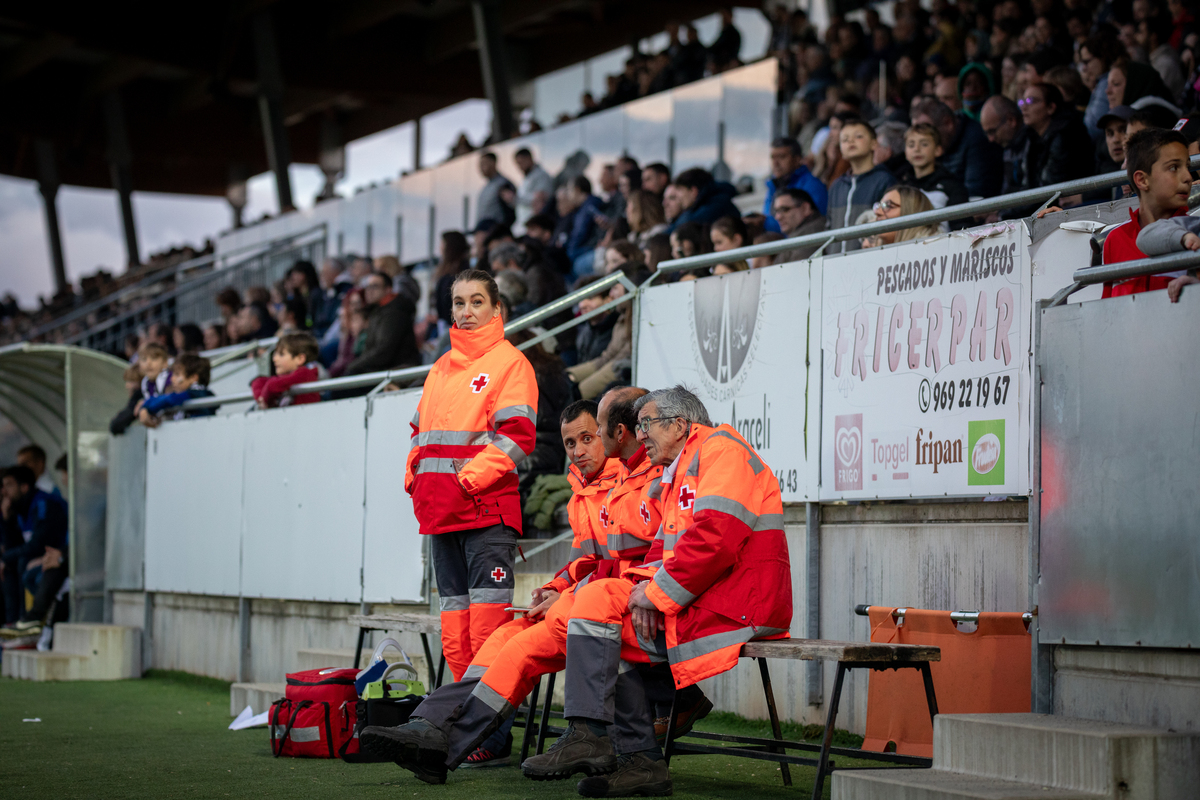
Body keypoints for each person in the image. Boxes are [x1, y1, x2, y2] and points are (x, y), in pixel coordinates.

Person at [363, 389, 666, 779]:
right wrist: (556, 589)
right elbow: (584, 562)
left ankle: (439, 741)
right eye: (570, 442)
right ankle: (431, 726)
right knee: (506, 636)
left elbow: (639, 562)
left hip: (613, 609)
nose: (577, 450)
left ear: (614, 436)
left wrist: (569, 595)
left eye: (589, 438)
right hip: (594, 603)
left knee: (518, 645)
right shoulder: (586, 491)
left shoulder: (634, 475)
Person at [518, 386, 791, 796]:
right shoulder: (680, 467)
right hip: (707, 597)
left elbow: (715, 538)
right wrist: (645, 589)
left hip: (740, 605)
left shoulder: (722, 451)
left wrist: (657, 595)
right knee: (597, 607)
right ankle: (611, 744)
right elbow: (663, 549)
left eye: (647, 424)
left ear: (679, 425)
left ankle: (628, 751)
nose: (639, 434)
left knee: (608, 626)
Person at [406, 270, 538, 682]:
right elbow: (418, 432)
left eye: (476, 302)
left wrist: (465, 481)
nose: (466, 311)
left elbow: (518, 436)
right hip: (441, 512)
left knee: (487, 633)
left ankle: (488, 736)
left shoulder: (511, 364)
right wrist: (415, 479)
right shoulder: (441, 367)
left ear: (497, 309)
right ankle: (460, 726)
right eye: (459, 303)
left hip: (484, 514)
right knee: (455, 634)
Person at [1102, 128, 1193, 297]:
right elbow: (1107, 309)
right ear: (1142, 180)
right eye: (1174, 168)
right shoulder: (1115, 240)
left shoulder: (1194, 234)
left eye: (1188, 166)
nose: (1188, 177)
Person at [1, 465, 68, 625]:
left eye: (9, 485)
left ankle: (26, 622)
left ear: (24, 487)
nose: (4, 491)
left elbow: (37, 545)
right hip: (46, 558)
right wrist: (7, 519)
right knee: (11, 566)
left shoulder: (44, 504)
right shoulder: (19, 510)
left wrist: (4, 558)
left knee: (23, 564)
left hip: (60, 558)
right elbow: (14, 545)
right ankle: (13, 622)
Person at [828, 118, 897, 253]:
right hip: (835, 262)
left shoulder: (884, 180)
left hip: (870, 257)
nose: (851, 142)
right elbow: (829, 226)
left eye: (858, 136)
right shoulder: (836, 186)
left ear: (873, 144)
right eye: (845, 140)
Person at [912, 98, 1003, 199]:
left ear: (948, 123)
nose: (920, 139)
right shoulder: (940, 144)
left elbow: (976, 197)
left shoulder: (977, 140)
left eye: (927, 130)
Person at [1020, 83, 1094, 189]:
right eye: (1022, 101)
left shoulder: (1066, 135)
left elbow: (1051, 184)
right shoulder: (1031, 137)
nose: (1024, 107)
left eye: (1031, 101)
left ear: (1051, 107)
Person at [345, 271, 420, 376]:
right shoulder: (377, 311)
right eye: (367, 287)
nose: (369, 291)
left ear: (388, 289)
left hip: (395, 372)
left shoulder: (395, 313)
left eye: (374, 286)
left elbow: (384, 352)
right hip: (382, 371)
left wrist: (354, 366)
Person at [892, 123, 969, 216]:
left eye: (924, 144)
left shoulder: (952, 187)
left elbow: (961, 225)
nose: (917, 149)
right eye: (911, 145)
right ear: (905, 153)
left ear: (938, 150)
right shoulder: (899, 188)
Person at [763, 137, 829, 232]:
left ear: (797, 159)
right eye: (773, 157)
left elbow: (814, 222)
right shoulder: (772, 186)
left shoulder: (813, 185)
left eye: (782, 157)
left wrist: (764, 223)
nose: (775, 163)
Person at [137, 354, 217, 424]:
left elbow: (170, 399)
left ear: (193, 378)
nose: (172, 379)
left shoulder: (197, 393)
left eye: (177, 374)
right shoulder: (193, 394)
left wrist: (147, 407)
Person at [862, 186, 940, 248]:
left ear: (911, 213)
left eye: (888, 206)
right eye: (878, 206)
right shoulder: (872, 251)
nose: (877, 212)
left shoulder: (935, 248)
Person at [667, 169, 740, 233]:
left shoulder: (714, 206)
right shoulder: (703, 205)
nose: (678, 196)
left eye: (680, 190)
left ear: (693, 191)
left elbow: (687, 226)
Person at [771, 188, 827, 263]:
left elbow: (799, 270)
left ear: (805, 208)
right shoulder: (802, 233)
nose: (778, 217)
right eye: (776, 211)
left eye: (784, 209)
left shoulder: (811, 233)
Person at [514, 148, 554, 229]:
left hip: (536, 226)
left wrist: (514, 198)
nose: (520, 167)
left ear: (529, 159)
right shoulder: (527, 178)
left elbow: (540, 200)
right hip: (524, 225)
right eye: (518, 164)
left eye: (521, 162)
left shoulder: (541, 176)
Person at [476, 152, 516, 228]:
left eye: (484, 164)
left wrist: (501, 229)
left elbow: (511, 212)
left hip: (495, 231)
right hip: (484, 231)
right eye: (480, 165)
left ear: (493, 163)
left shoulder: (503, 184)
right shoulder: (486, 187)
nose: (481, 168)